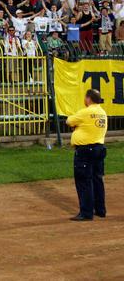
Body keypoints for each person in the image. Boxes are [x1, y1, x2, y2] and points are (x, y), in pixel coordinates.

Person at [66, 88, 108, 221]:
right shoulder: (102, 112)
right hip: (99, 148)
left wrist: (76, 127)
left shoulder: (85, 112)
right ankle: (100, 209)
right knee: (97, 179)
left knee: (84, 180)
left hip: (85, 150)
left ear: (88, 98)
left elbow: (69, 121)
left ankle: (86, 212)